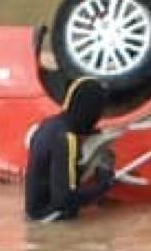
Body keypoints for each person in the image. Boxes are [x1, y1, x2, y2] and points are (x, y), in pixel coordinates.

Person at [25, 76, 116, 221]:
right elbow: (64, 200)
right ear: (90, 110)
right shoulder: (67, 139)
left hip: (34, 214)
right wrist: (103, 186)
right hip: (51, 220)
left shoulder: (49, 125)